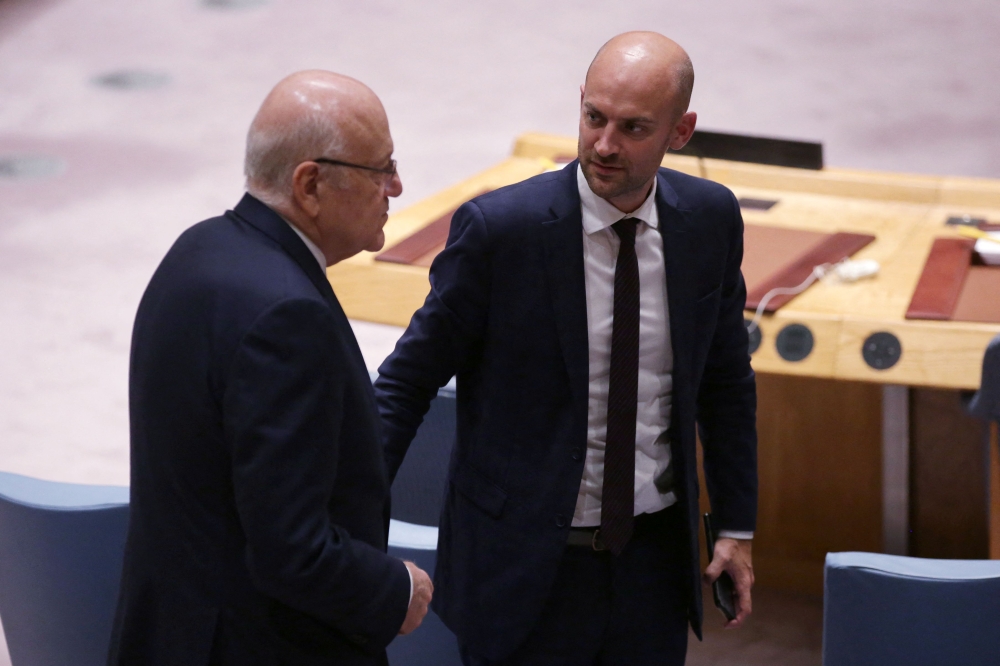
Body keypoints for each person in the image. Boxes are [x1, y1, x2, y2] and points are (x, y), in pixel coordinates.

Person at [374, 32, 756, 665]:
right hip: (521, 571)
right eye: (593, 117)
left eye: (633, 128)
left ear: (680, 131)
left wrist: (736, 527)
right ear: (580, 102)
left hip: (653, 567)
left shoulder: (710, 220)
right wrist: (347, 517)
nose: (604, 145)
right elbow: (407, 382)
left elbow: (724, 379)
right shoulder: (501, 232)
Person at [108, 70, 432, 665]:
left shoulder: (197, 249)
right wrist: (397, 589)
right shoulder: (288, 317)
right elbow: (293, 551)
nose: (397, 185)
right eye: (380, 169)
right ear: (310, 184)